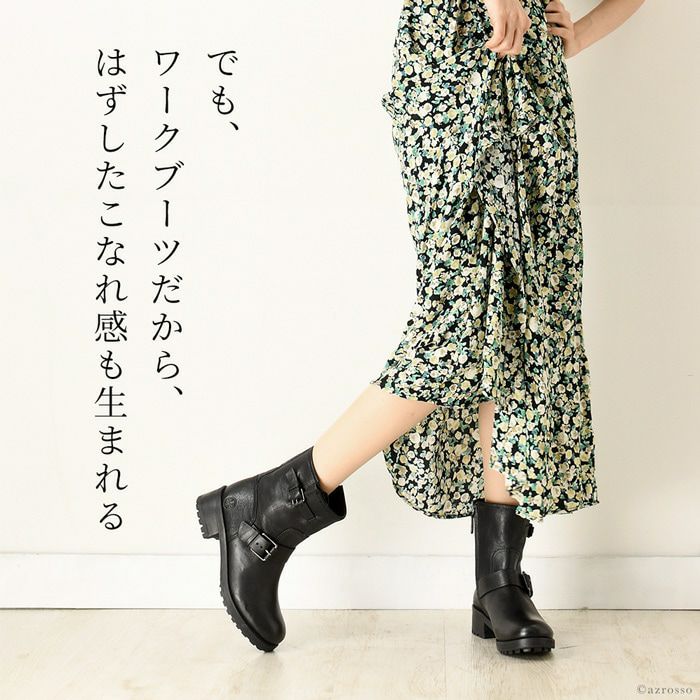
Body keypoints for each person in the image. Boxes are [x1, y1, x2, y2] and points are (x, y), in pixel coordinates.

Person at [196, 0, 646, 656]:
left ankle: (498, 581)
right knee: (459, 320)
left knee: (531, 316)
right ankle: (268, 508)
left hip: (535, 75)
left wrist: (578, 33)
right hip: (451, 52)